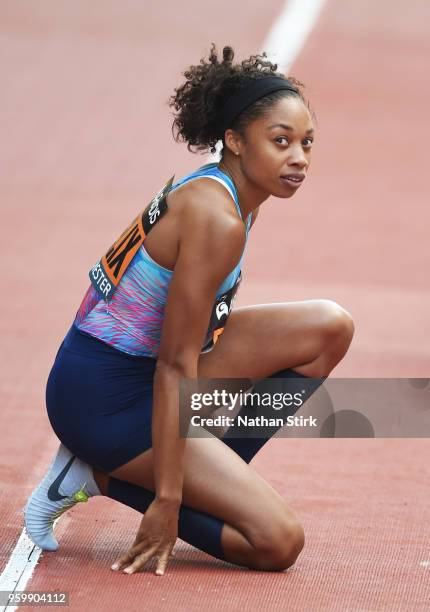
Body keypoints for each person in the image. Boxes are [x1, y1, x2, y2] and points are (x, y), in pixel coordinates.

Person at [24, 44, 354, 576]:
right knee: (277, 543)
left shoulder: (234, 190)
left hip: (136, 370)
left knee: (328, 328)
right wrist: (169, 501)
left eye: (307, 143)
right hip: (100, 401)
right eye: (281, 141)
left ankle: (202, 475)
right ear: (234, 140)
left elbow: (196, 338)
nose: (299, 157)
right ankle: (97, 477)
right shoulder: (215, 218)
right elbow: (176, 365)